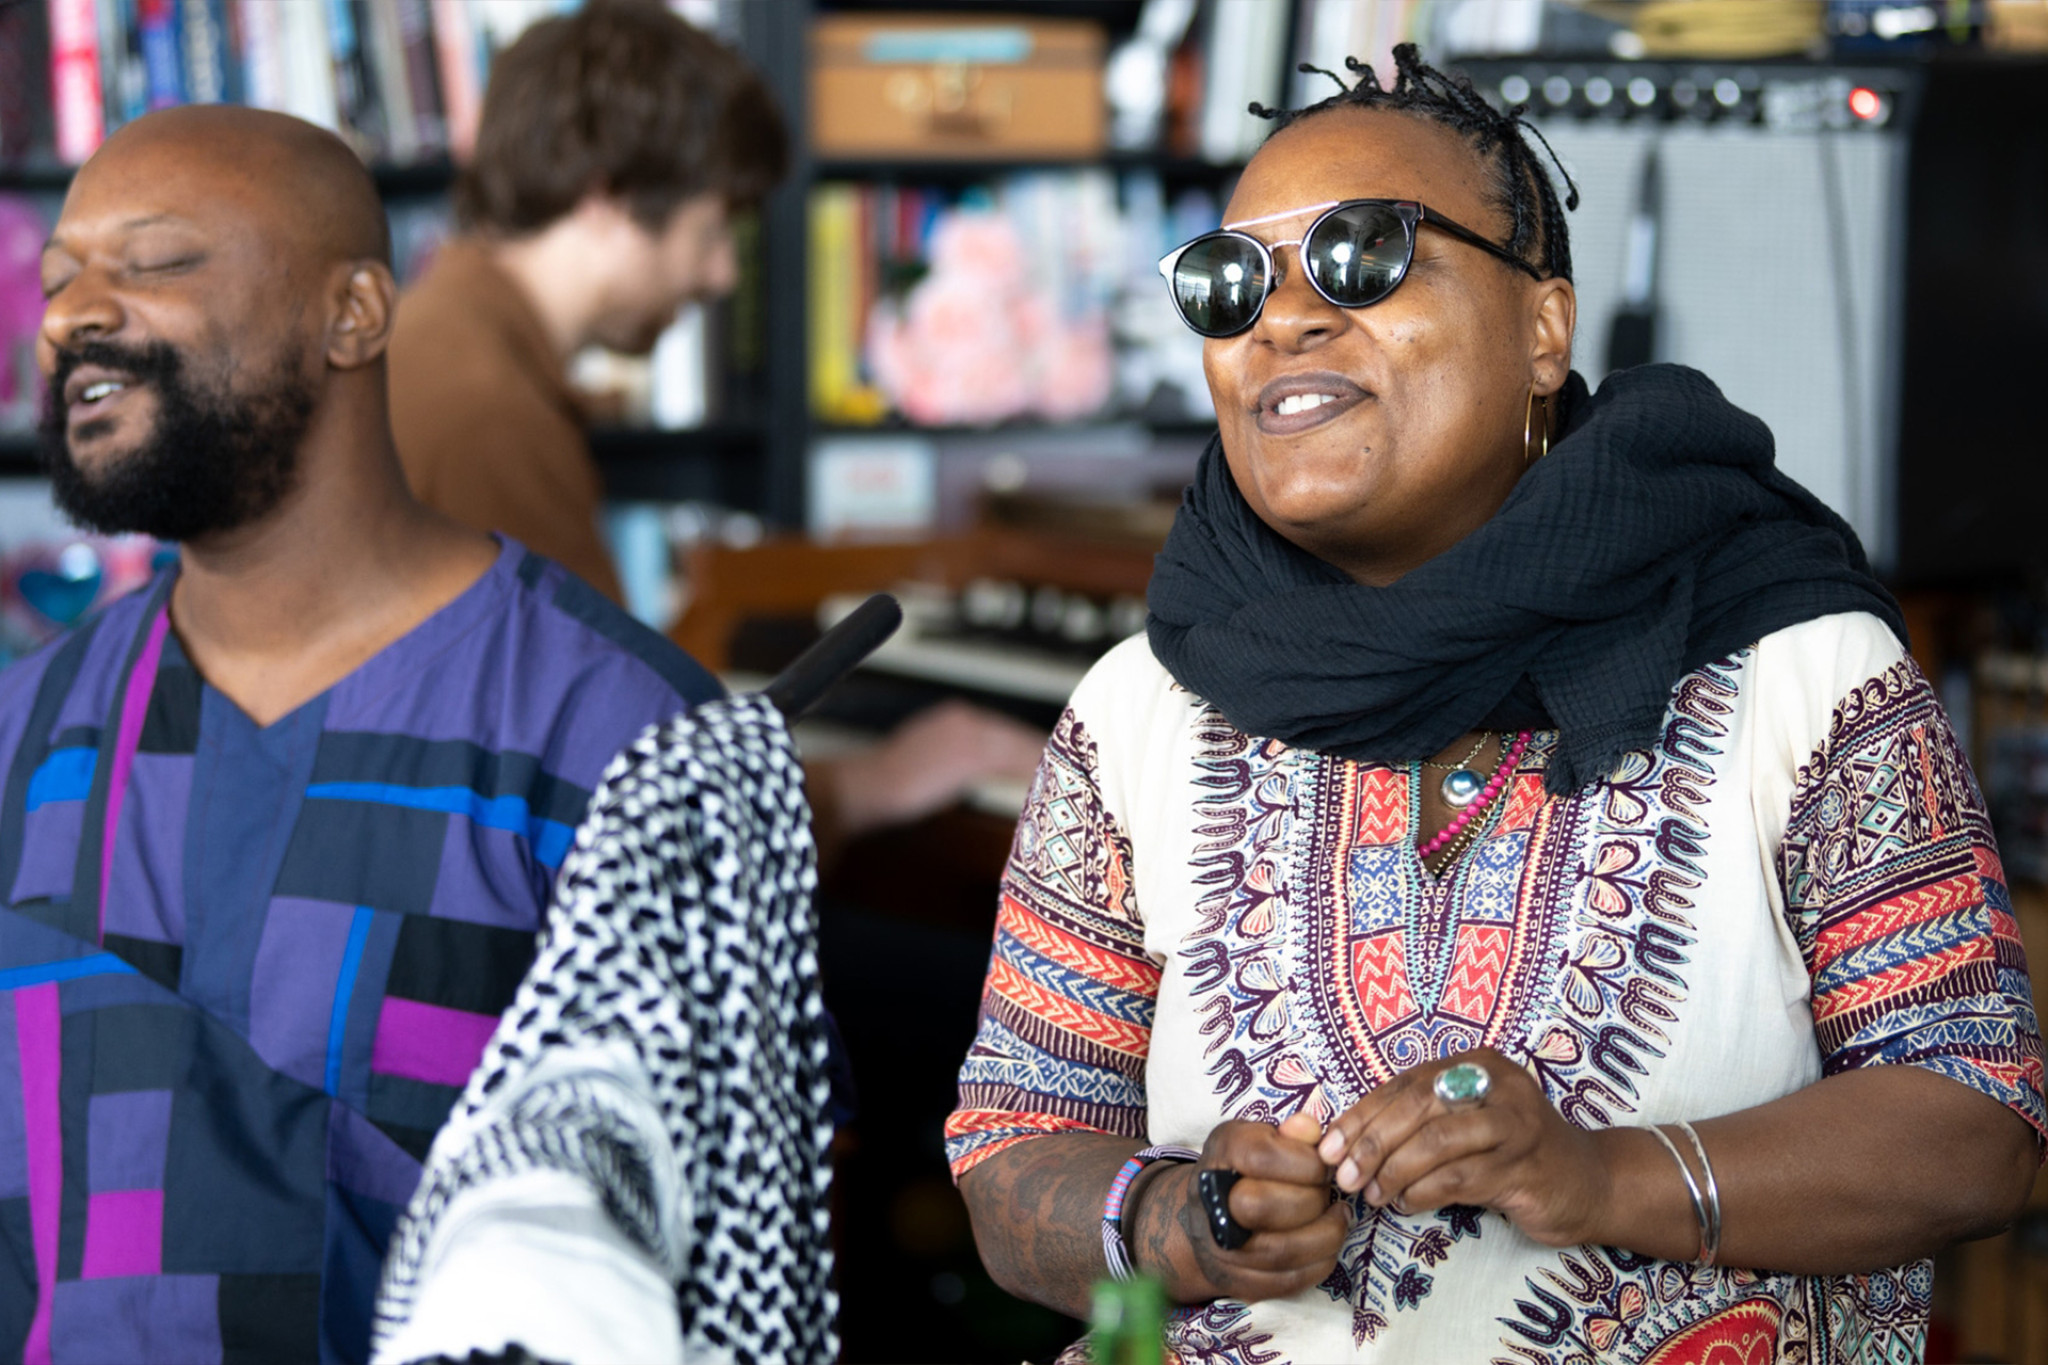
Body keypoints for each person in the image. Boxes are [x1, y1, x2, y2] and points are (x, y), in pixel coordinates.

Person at [947, 48, 2044, 1362]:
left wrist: (1597, 1177)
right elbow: (1017, 1144)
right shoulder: (1139, 711)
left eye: (1364, 255)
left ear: (1544, 331)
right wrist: (1187, 1217)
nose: (1281, 321)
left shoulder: (1796, 667)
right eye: (1231, 285)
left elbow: (1979, 1119)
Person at [8, 104, 721, 1362]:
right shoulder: (22, 736)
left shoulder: (618, 738)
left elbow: (721, 1257)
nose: (74, 313)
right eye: (61, 277)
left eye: (157, 261)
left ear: (353, 316)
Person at [386, 0, 1044, 855]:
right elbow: (623, 793)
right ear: (610, 199)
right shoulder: (487, 411)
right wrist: (872, 781)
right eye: (711, 228)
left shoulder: (437, 340)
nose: (724, 272)